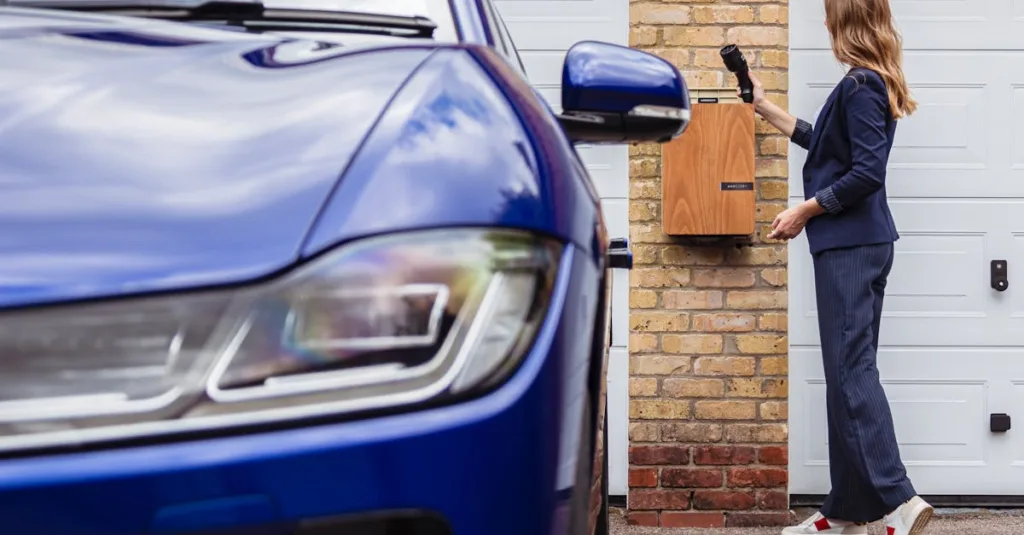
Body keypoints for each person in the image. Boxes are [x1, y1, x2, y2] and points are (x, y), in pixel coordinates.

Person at [745, 1, 933, 534]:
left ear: (844, 22)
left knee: (851, 372)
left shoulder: (860, 84)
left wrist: (805, 211)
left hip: (851, 246)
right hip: (860, 244)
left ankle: (900, 499)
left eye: (830, 14)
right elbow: (826, 144)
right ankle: (846, 509)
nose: (824, 23)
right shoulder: (865, 83)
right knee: (845, 374)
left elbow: (868, 173)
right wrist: (764, 106)